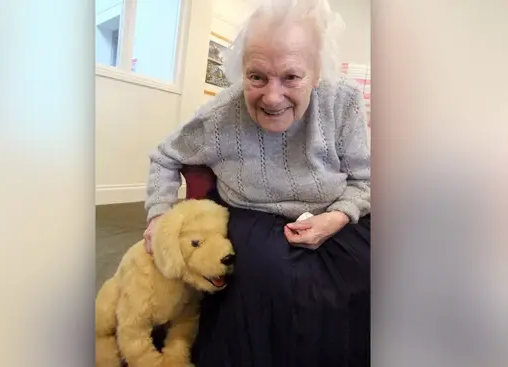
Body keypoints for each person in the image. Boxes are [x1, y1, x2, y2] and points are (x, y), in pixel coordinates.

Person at [144, 0, 370, 365]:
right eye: (257, 76)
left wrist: (338, 217)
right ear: (242, 71)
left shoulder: (343, 102)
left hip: (335, 212)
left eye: (292, 77)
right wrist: (157, 215)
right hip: (255, 214)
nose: (272, 96)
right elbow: (164, 156)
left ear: (316, 74)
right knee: (272, 281)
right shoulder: (222, 114)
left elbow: (366, 181)